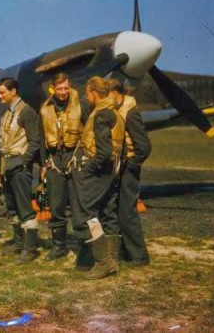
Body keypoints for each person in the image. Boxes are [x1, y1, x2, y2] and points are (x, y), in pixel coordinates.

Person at [71, 76, 125, 280]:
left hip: (98, 170)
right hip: (110, 170)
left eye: (88, 93)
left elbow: (103, 152)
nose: (87, 97)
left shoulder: (102, 115)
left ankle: (104, 262)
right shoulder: (114, 113)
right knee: (106, 212)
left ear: (93, 93)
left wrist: (88, 169)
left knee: (86, 213)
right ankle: (112, 259)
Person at [0, 77, 42, 263]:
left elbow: (35, 141)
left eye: (2, 93)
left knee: (25, 208)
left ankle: (30, 249)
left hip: (19, 166)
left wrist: (24, 162)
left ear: (13, 91)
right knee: (12, 207)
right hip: (6, 165)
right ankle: (19, 242)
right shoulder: (7, 113)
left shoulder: (27, 111)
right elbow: (2, 142)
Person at [39, 73, 85, 262]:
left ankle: (84, 247)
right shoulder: (45, 109)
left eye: (66, 88)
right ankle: (59, 246)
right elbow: (42, 139)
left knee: (78, 205)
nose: (64, 92)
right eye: (60, 89)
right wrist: (43, 164)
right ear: (53, 89)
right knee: (56, 205)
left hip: (75, 157)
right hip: (54, 160)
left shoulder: (82, 105)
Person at [108, 79, 151, 266]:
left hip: (128, 167)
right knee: (119, 210)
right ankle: (126, 250)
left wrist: (132, 165)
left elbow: (144, 146)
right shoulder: (116, 110)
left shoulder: (131, 113)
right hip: (119, 167)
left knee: (127, 212)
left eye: (109, 96)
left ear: (118, 94)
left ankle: (140, 256)